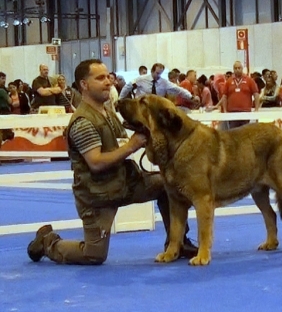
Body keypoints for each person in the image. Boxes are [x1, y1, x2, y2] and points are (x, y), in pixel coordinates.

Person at [27, 59, 198, 265]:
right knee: (94, 255)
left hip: (124, 182)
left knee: (168, 184)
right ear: (84, 85)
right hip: (96, 195)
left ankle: (178, 241)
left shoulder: (107, 111)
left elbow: (121, 142)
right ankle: (48, 242)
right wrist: (132, 146)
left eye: (108, 77)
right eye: (100, 78)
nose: (108, 82)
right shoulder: (82, 122)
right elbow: (96, 162)